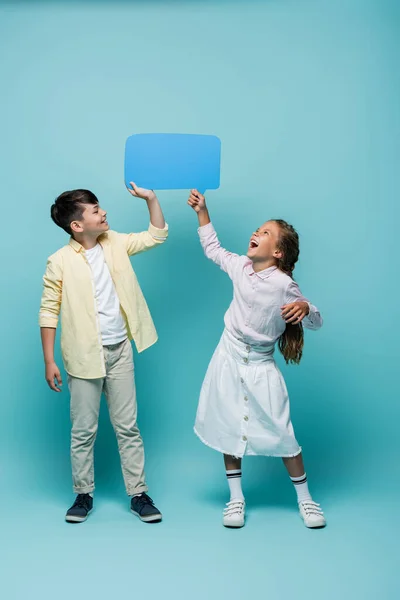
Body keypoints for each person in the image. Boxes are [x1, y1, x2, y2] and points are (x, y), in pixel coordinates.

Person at [187, 189, 326, 529]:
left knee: (283, 432)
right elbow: (213, 249)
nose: (256, 233)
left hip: (262, 365)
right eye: (257, 229)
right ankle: (236, 498)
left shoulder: (284, 284)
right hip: (228, 357)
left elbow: (316, 320)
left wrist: (306, 308)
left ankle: (306, 500)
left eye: (265, 233)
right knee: (229, 425)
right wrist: (202, 211)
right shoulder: (240, 266)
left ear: (278, 251)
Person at [39, 183, 168, 524]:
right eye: (95, 210)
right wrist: (49, 359)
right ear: (77, 225)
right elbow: (48, 310)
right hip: (83, 357)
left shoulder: (117, 243)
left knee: (128, 426)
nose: (104, 212)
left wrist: (151, 199)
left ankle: (138, 494)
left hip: (120, 350)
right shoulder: (59, 262)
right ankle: (83, 494)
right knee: (83, 430)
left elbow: (156, 235)